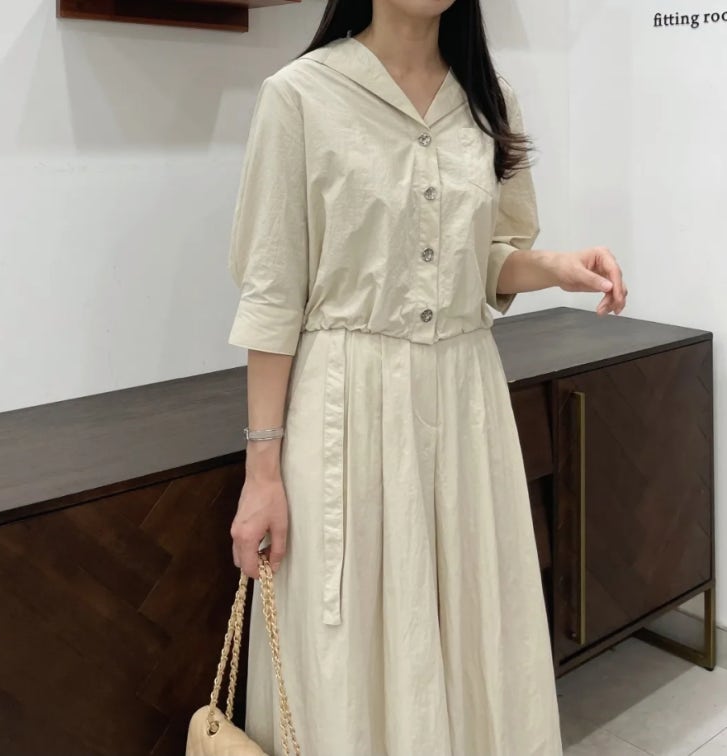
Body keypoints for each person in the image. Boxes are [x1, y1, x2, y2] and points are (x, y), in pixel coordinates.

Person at [227, 0, 628, 753]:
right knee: (351, 638)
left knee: (474, 625)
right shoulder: (300, 95)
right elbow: (273, 295)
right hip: (348, 408)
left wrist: (553, 267)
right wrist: (262, 473)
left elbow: (483, 257)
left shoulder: (488, 98)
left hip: (465, 400)